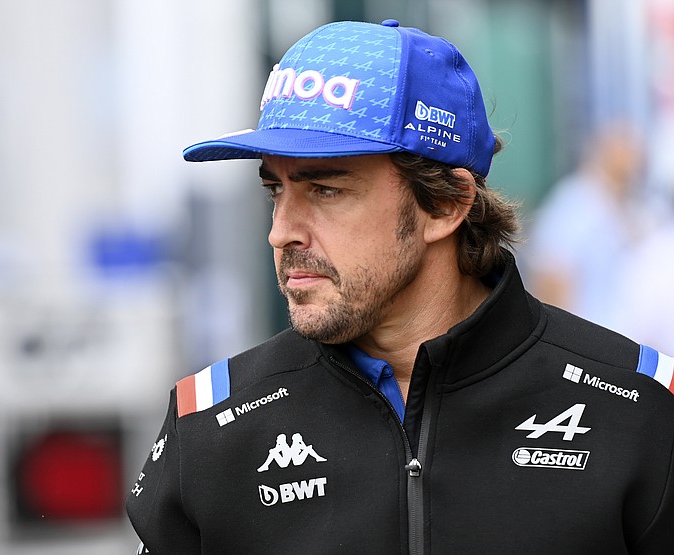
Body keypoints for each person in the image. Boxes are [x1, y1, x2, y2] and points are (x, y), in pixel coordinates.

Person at [126, 20, 674, 554]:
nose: (281, 232)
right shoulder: (211, 428)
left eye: (325, 191)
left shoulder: (638, 409)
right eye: (276, 191)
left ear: (445, 204)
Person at [524, 121, 646, 331]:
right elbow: (550, 276)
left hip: (625, 342)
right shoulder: (574, 203)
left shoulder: (630, 204)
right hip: (590, 343)